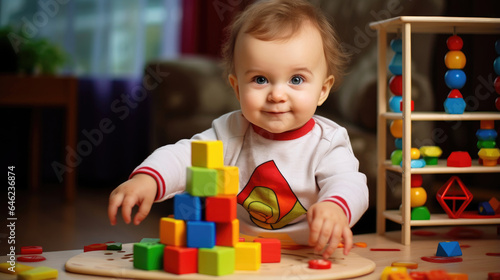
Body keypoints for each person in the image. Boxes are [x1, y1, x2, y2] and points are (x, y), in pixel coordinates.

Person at [108, 0, 368, 259]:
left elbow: (349, 183)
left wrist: (335, 207)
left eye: (296, 79)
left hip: (306, 251)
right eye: (260, 79)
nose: (277, 94)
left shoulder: (328, 142)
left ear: (323, 90)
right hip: (233, 250)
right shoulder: (229, 132)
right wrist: (149, 179)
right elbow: (184, 156)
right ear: (236, 88)